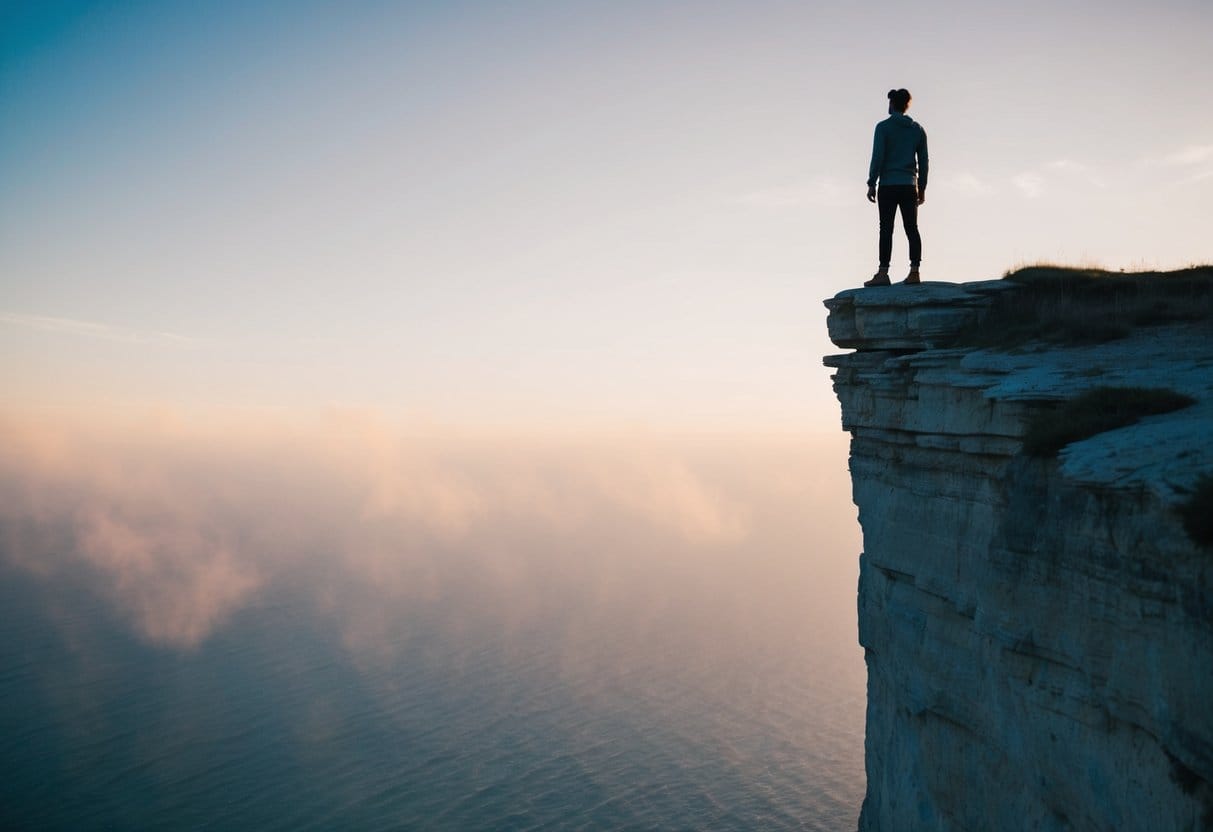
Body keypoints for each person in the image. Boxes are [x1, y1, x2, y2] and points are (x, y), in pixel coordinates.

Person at [864, 88, 929, 286]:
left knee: (886, 229)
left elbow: (878, 157)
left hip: (888, 185)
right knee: (912, 228)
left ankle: (883, 273)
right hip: (909, 185)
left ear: (892, 104)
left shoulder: (883, 128)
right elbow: (924, 161)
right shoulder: (917, 129)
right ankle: (915, 271)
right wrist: (922, 187)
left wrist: (871, 182)